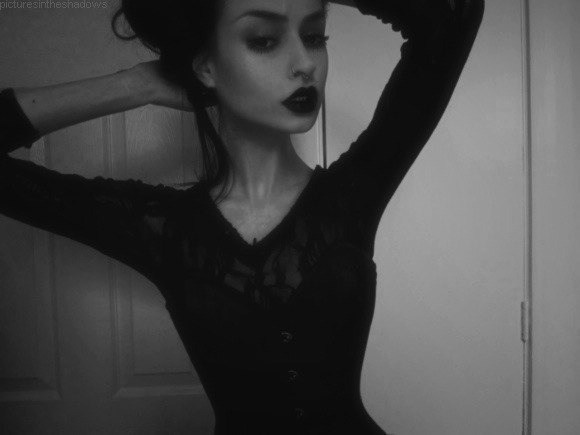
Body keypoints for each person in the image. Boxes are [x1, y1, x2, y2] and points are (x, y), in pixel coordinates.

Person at [0, 0, 484, 433]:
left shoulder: (354, 193)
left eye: (314, 36)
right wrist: (136, 84)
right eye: (264, 40)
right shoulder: (161, 230)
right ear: (206, 67)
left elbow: (452, 14)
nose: (305, 64)